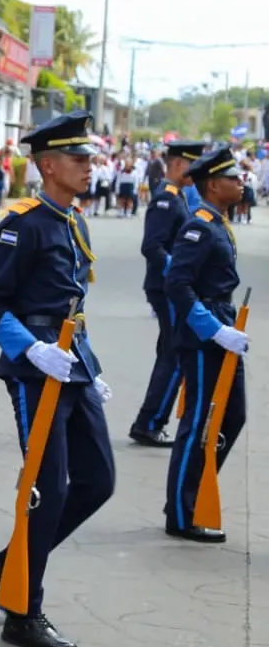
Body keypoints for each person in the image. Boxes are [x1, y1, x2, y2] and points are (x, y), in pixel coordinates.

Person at [0, 111, 115, 647]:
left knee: (97, 480)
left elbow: (71, 305)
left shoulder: (73, 220)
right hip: (37, 371)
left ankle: (11, 563)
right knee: (46, 489)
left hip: (72, 364)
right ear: (47, 165)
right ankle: (22, 611)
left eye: (89, 158)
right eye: (77, 159)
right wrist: (31, 349)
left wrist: (91, 367)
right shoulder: (23, 224)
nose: (88, 167)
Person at [162, 146, 249, 544]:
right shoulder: (198, 226)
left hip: (223, 323)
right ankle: (182, 513)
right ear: (213, 185)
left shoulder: (216, 222)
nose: (240, 181)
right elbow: (177, 284)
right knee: (199, 420)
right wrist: (212, 329)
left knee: (232, 416)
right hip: (204, 333)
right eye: (232, 177)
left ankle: (195, 490)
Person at [130, 140, 203, 447]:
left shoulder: (178, 196)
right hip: (167, 287)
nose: (197, 171)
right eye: (193, 165)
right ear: (177, 164)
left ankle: (149, 421)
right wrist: (178, 270)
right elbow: (152, 246)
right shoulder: (165, 198)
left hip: (169, 286)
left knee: (170, 354)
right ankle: (149, 423)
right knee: (174, 356)